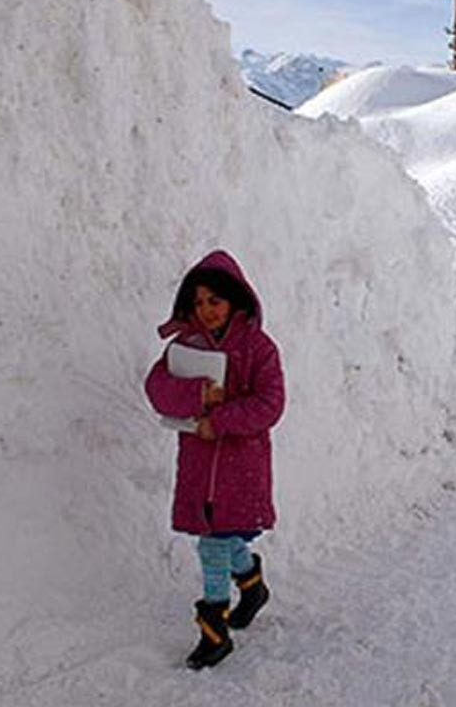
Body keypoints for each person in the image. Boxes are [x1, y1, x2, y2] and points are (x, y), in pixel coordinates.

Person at [144, 250, 285, 669]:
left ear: (235, 299)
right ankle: (252, 585)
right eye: (199, 302)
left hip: (241, 467)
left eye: (215, 301)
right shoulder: (184, 346)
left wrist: (219, 420)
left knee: (213, 543)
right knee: (220, 536)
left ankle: (214, 632)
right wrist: (198, 394)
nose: (206, 310)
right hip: (199, 465)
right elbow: (156, 388)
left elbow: (270, 404)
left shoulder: (259, 348)